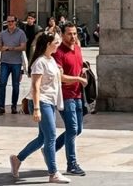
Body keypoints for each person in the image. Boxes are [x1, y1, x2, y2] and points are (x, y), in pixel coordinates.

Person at [9, 31, 71, 184]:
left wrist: (76, 78)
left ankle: (17, 159)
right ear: (48, 44)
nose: (58, 45)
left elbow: (57, 79)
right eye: (56, 42)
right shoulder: (39, 62)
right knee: (51, 137)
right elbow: (35, 87)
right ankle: (53, 173)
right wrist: (36, 108)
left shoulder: (51, 60)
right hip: (41, 102)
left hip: (49, 102)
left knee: (42, 138)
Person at [53, 23, 88, 177]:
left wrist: (83, 71)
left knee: (77, 129)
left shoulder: (78, 49)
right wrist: (78, 79)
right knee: (72, 128)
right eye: (69, 34)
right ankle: (71, 164)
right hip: (66, 95)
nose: (73, 36)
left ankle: (50, 149)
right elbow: (60, 77)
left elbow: (78, 67)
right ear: (62, 35)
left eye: (74, 33)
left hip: (78, 94)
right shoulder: (58, 52)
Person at [0, 15, 28, 115]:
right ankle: (1, 107)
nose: (10, 23)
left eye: (12, 21)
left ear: (15, 22)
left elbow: (23, 47)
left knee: (15, 85)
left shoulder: (21, 33)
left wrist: (11, 48)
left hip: (16, 63)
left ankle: (14, 106)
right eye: (8, 21)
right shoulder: (3, 33)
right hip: (4, 62)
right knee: (2, 84)